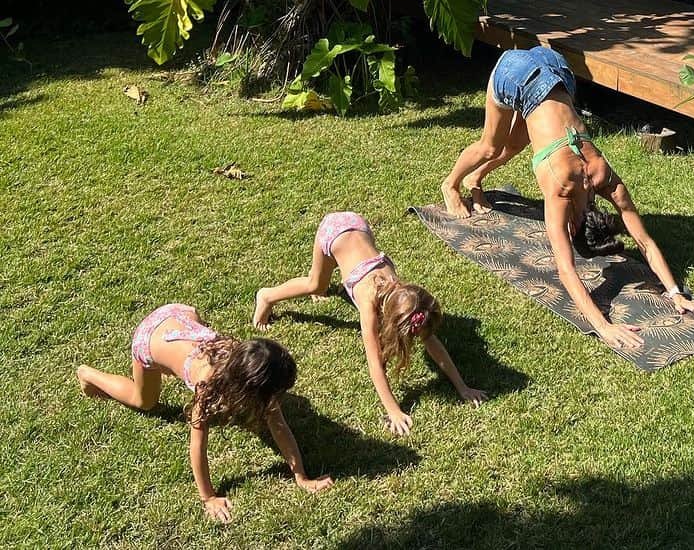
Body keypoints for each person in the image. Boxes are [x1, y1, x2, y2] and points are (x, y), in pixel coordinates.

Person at [442, 45, 694, 353]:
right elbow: (566, 271)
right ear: (574, 229)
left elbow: (646, 243)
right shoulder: (560, 190)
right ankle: (451, 185)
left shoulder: (606, 179)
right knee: (491, 147)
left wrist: (675, 293)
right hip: (518, 71)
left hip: (558, 71)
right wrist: (604, 326)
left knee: (515, 145)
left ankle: (475, 178)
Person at [77, 303, 332, 522]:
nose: (278, 401)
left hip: (180, 314)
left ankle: (170, 360)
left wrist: (301, 477)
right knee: (144, 401)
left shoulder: (241, 356)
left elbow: (277, 422)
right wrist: (208, 496)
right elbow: (197, 445)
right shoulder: (206, 385)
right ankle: (88, 375)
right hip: (149, 337)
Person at [253, 212, 486, 435]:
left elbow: (431, 342)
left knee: (326, 284)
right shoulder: (368, 304)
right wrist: (393, 411)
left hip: (358, 226)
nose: (419, 339)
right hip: (334, 231)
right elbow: (375, 363)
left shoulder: (406, 296)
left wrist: (462, 387)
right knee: (316, 285)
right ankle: (267, 296)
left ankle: (339, 268)